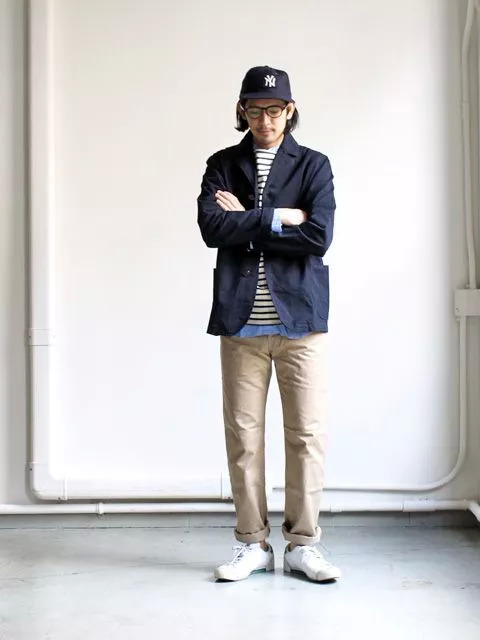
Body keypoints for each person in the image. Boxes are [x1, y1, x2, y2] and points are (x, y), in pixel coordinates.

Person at [197, 65, 341, 583]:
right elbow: (212, 228)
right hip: (241, 325)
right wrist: (282, 216)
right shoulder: (222, 164)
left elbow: (319, 235)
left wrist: (249, 220)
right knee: (244, 439)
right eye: (255, 109)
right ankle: (251, 543)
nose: (265, 119)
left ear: (290, 110)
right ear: (242, 110)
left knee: (307, 435)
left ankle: (303, 545)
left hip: (301, 321)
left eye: (274, 109)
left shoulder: (314, 165)